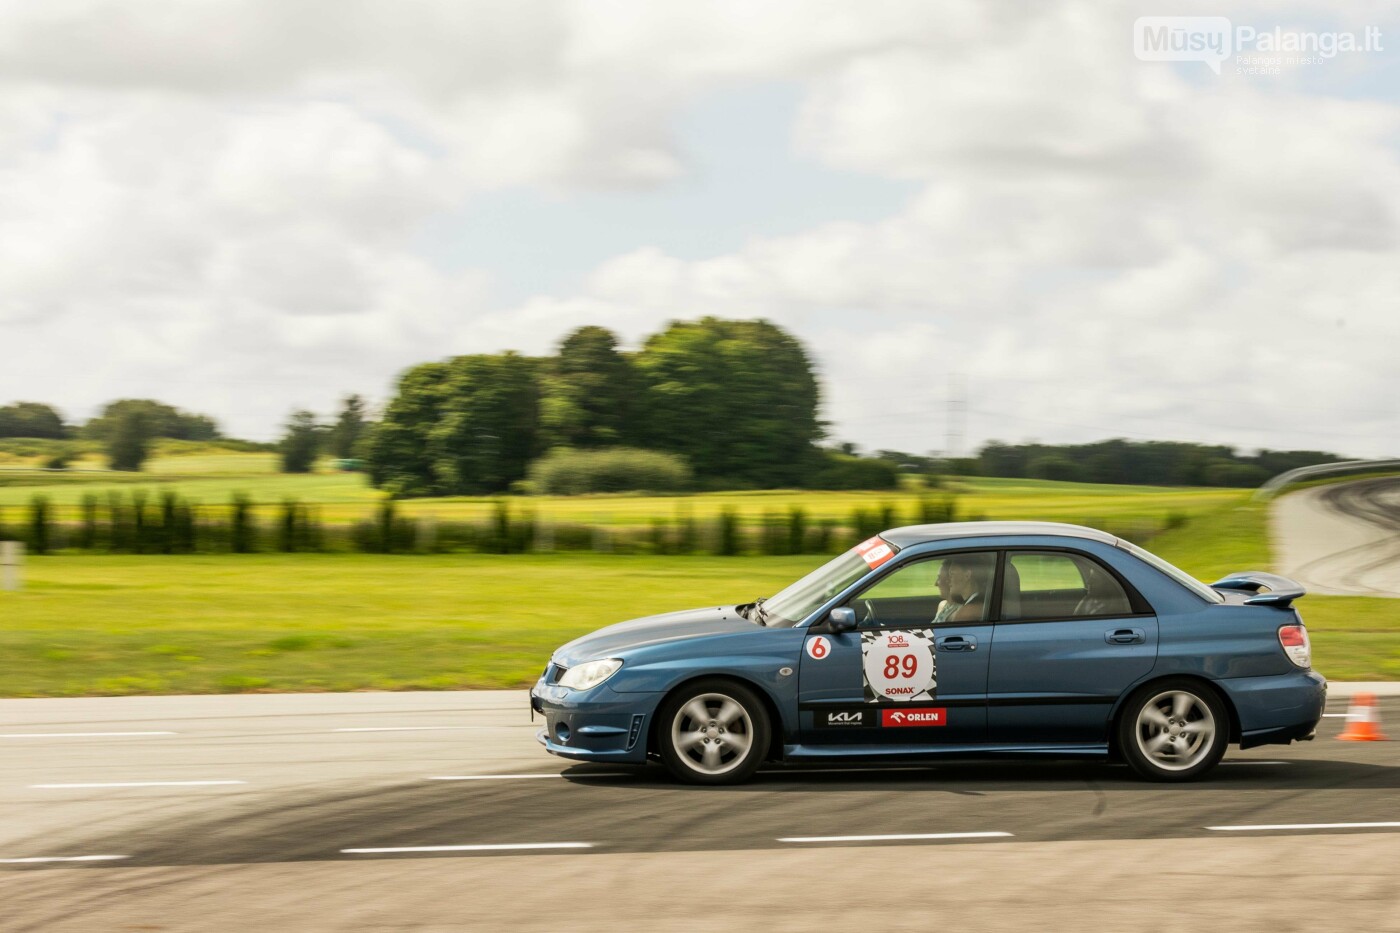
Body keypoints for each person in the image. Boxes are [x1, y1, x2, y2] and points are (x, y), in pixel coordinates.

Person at [946, 555, 994, 623]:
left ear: (967, 575)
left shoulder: (966, 612)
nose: (948, 580)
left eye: (952, 574)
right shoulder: (984, 600)